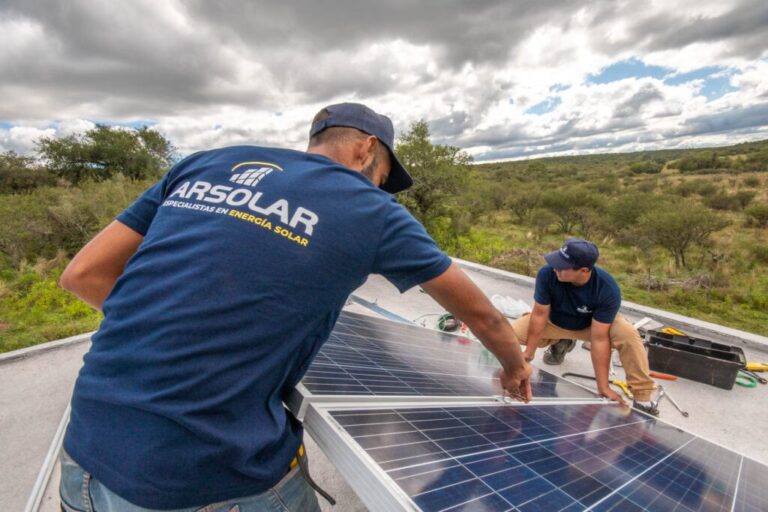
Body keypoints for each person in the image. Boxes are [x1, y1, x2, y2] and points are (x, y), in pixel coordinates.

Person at [58, 102, 533, 512]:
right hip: (208, 472)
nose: (381, 189)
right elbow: (485, 316)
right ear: (366, 148)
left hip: (85, 454)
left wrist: (170, 329)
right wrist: (513, 366)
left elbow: (84, 275)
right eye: (384, 176)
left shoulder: (204, 164)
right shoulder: (373, 210)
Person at [513, 238, 658, 416]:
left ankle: (642, 396)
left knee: (628, 334)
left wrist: (603, 386)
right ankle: (561, 340)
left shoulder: (607, 288)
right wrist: (529, 353)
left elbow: (599, 338)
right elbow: (540, 314)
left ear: (583, 270)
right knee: (507, 334)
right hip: (553, 322)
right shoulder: (547, 274)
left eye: (562, 266)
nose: (555, 268)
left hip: (589, 327)